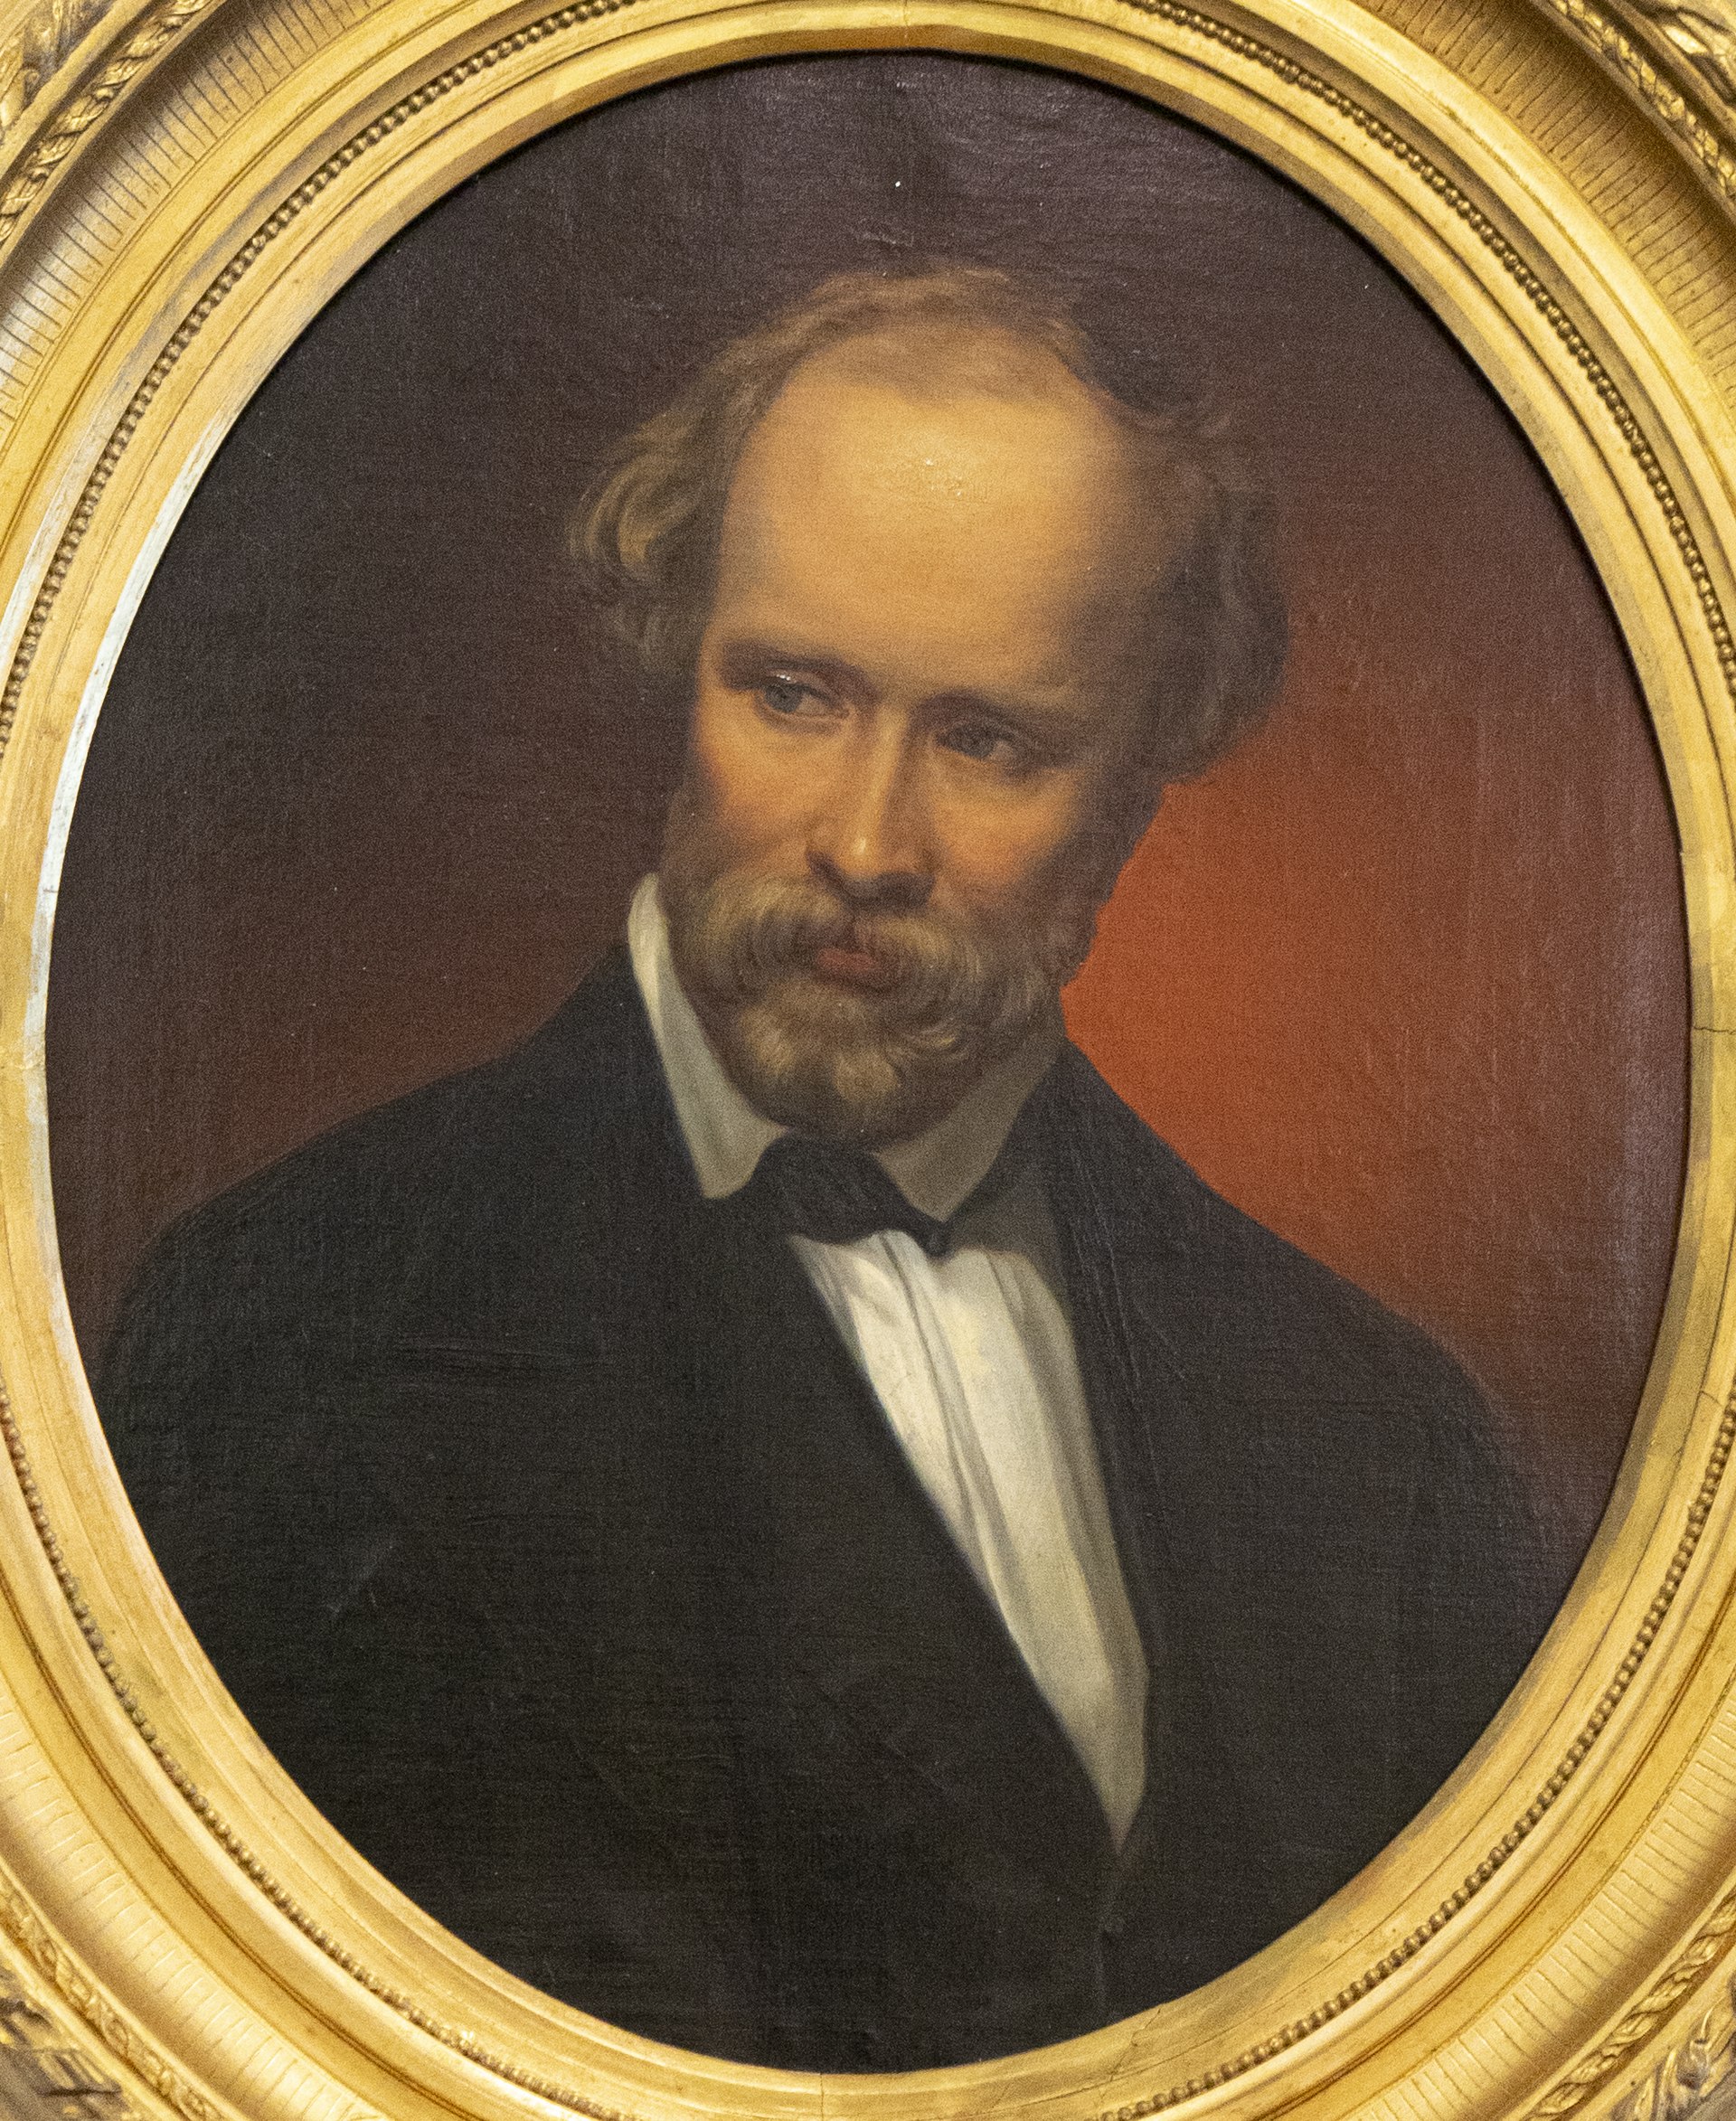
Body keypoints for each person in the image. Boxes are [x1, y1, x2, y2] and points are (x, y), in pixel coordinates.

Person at [99, 264, 1553, 2073]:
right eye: (791, 695)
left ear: (1143, 781)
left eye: (987, 740)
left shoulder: (1380, 1443)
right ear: (674, 660)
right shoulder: (285, 1334)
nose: (865, 844)